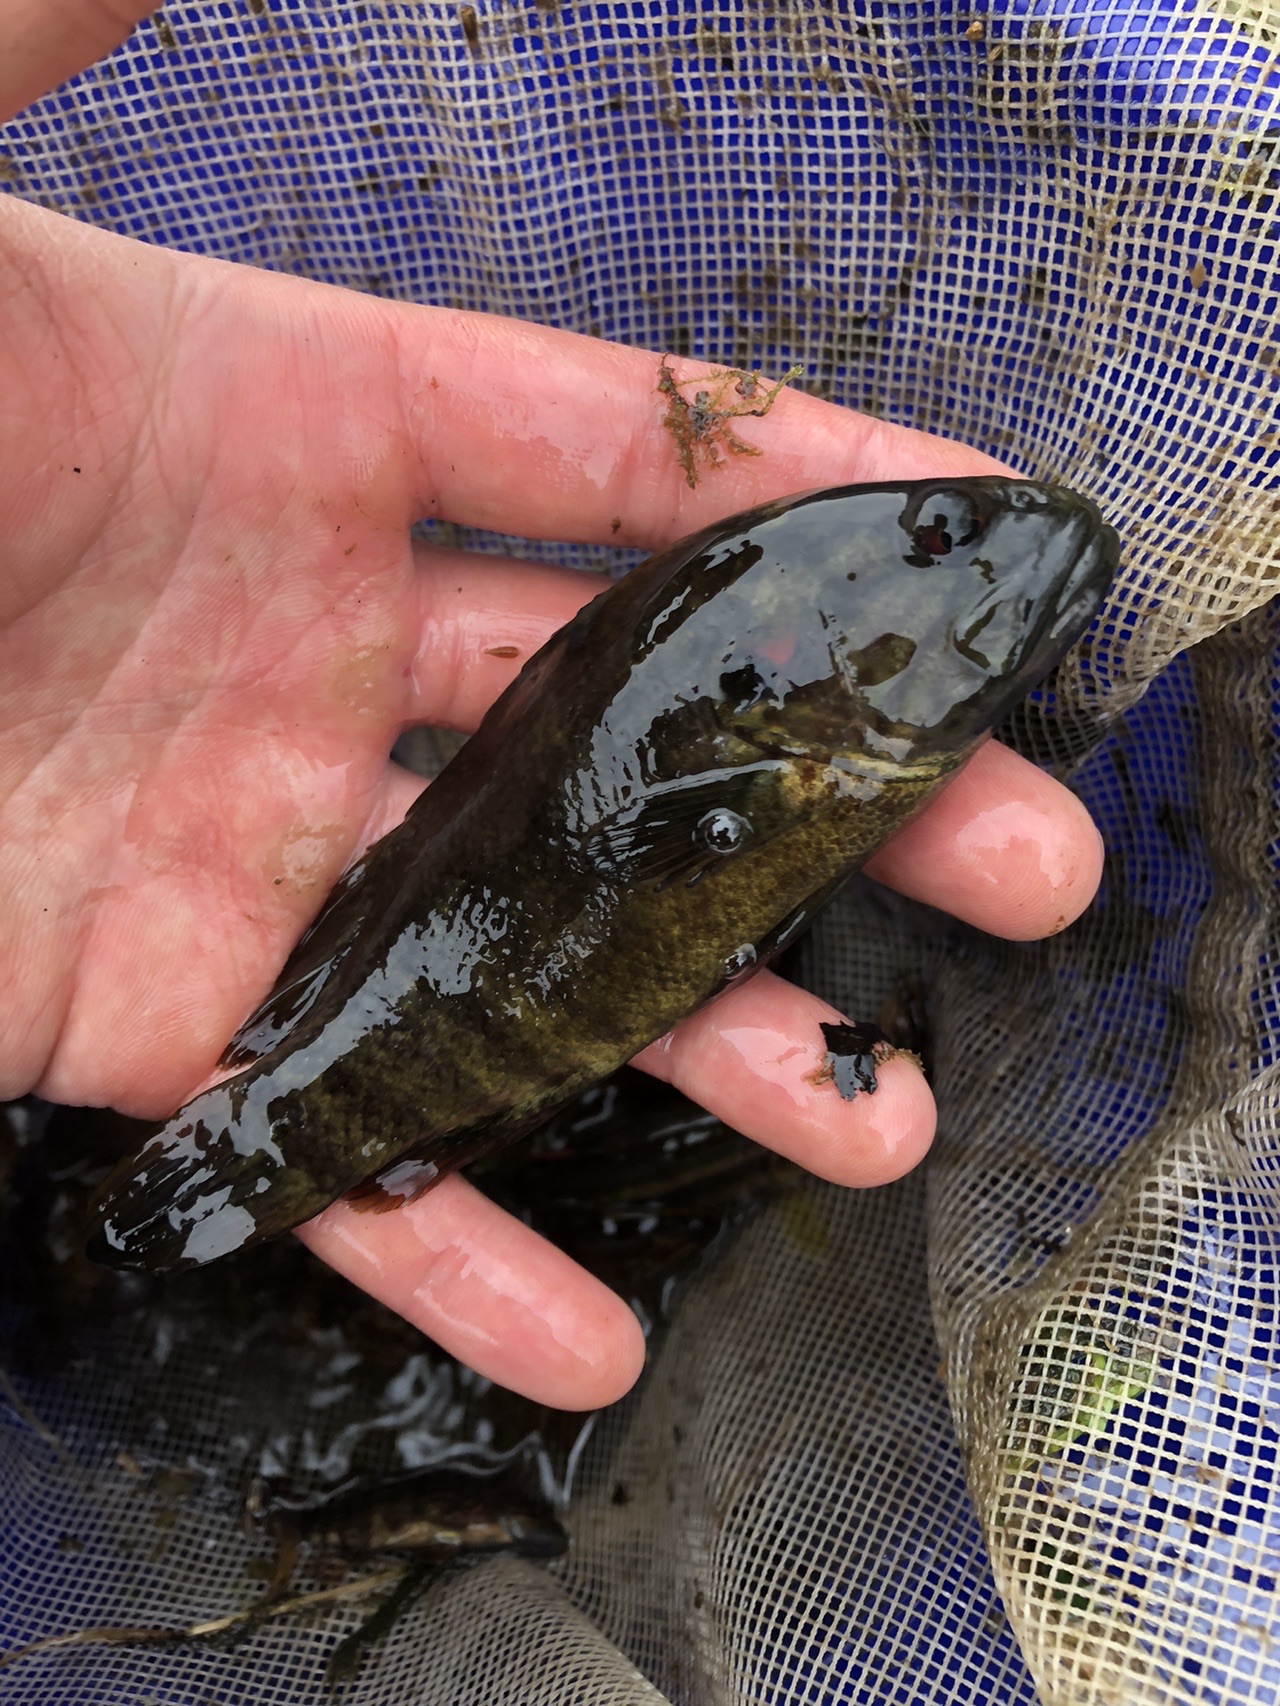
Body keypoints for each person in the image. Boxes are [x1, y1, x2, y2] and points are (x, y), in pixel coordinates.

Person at [0, 17, 1102, 1412]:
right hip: (485, 935)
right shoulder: (813, 669)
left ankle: (257, 1157)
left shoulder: (814, 659)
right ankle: (249, 1158)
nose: (984, 591)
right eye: (950, 555)